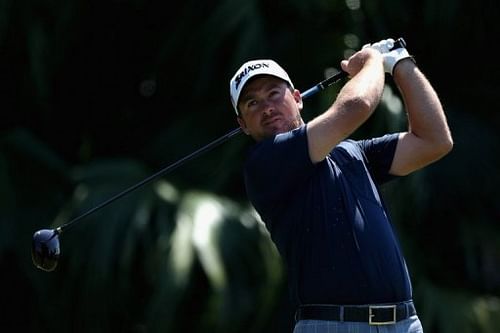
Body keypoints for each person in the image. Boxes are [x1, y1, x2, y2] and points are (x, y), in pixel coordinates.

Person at [228, 38, 453, 333]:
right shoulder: (265, 163)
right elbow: (356, 106)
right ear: (243, 124)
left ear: (297, 98)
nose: (267, 108)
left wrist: (400, 63)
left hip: (404, 324)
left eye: (273, 93)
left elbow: (434, 141)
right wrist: (374, 60)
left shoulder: (353, 152)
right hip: (332, 325)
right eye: (252, 103)